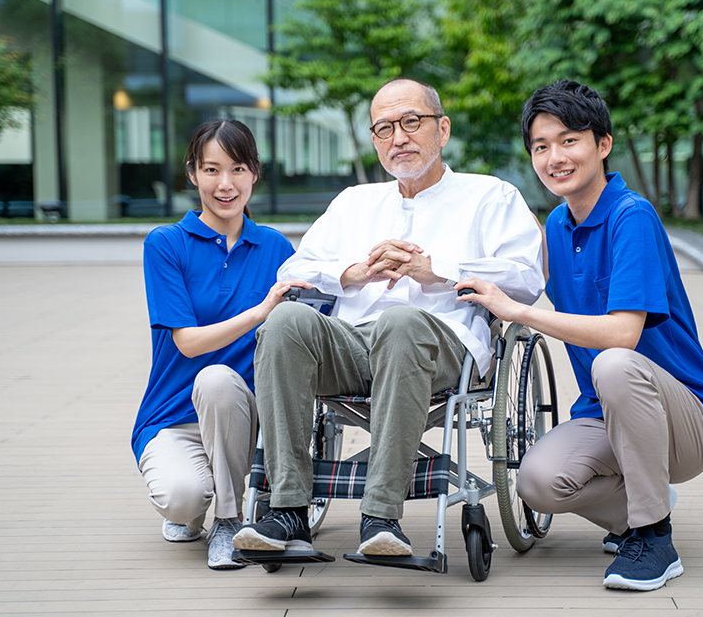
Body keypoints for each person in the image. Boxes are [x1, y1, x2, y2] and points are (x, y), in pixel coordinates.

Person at [232, 78, 545, 557]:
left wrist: (438, 270)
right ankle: (287, 510)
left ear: (442, 130)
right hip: (352, 344)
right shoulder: (353, 202)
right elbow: (294, 272)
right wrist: (354, 272)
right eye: (384, 128)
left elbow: (526, 277)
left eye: (411, 122)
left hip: (442, 347)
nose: (398, 137)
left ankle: (381, 516)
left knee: (402, 321)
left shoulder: (490, 196)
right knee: (285, 321)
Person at [455, 80, 703, 591]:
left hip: (686, 420)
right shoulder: (556, 227)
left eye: (569, 141)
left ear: (603, 144)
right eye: (541, 146)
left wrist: (518, 311)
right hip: (604, 414)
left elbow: (623, 334)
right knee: (536, 482)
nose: (555, 157)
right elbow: (504, 274)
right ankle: (640, 503)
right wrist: (427, 271)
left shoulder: (632, 216)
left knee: (614, 361)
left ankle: (654, 537)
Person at [131, 119, 310, 569]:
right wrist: (259, 311)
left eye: (238, 169)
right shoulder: (166, 244)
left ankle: (228, 521)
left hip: (244, 415)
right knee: (181, 499)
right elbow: (189, 344)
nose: (225, 184)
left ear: (255, 174)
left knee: (217, 382)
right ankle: (195, 510)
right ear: (193, 174)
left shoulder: (275, 248)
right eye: (211, 170)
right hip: (175, 417)